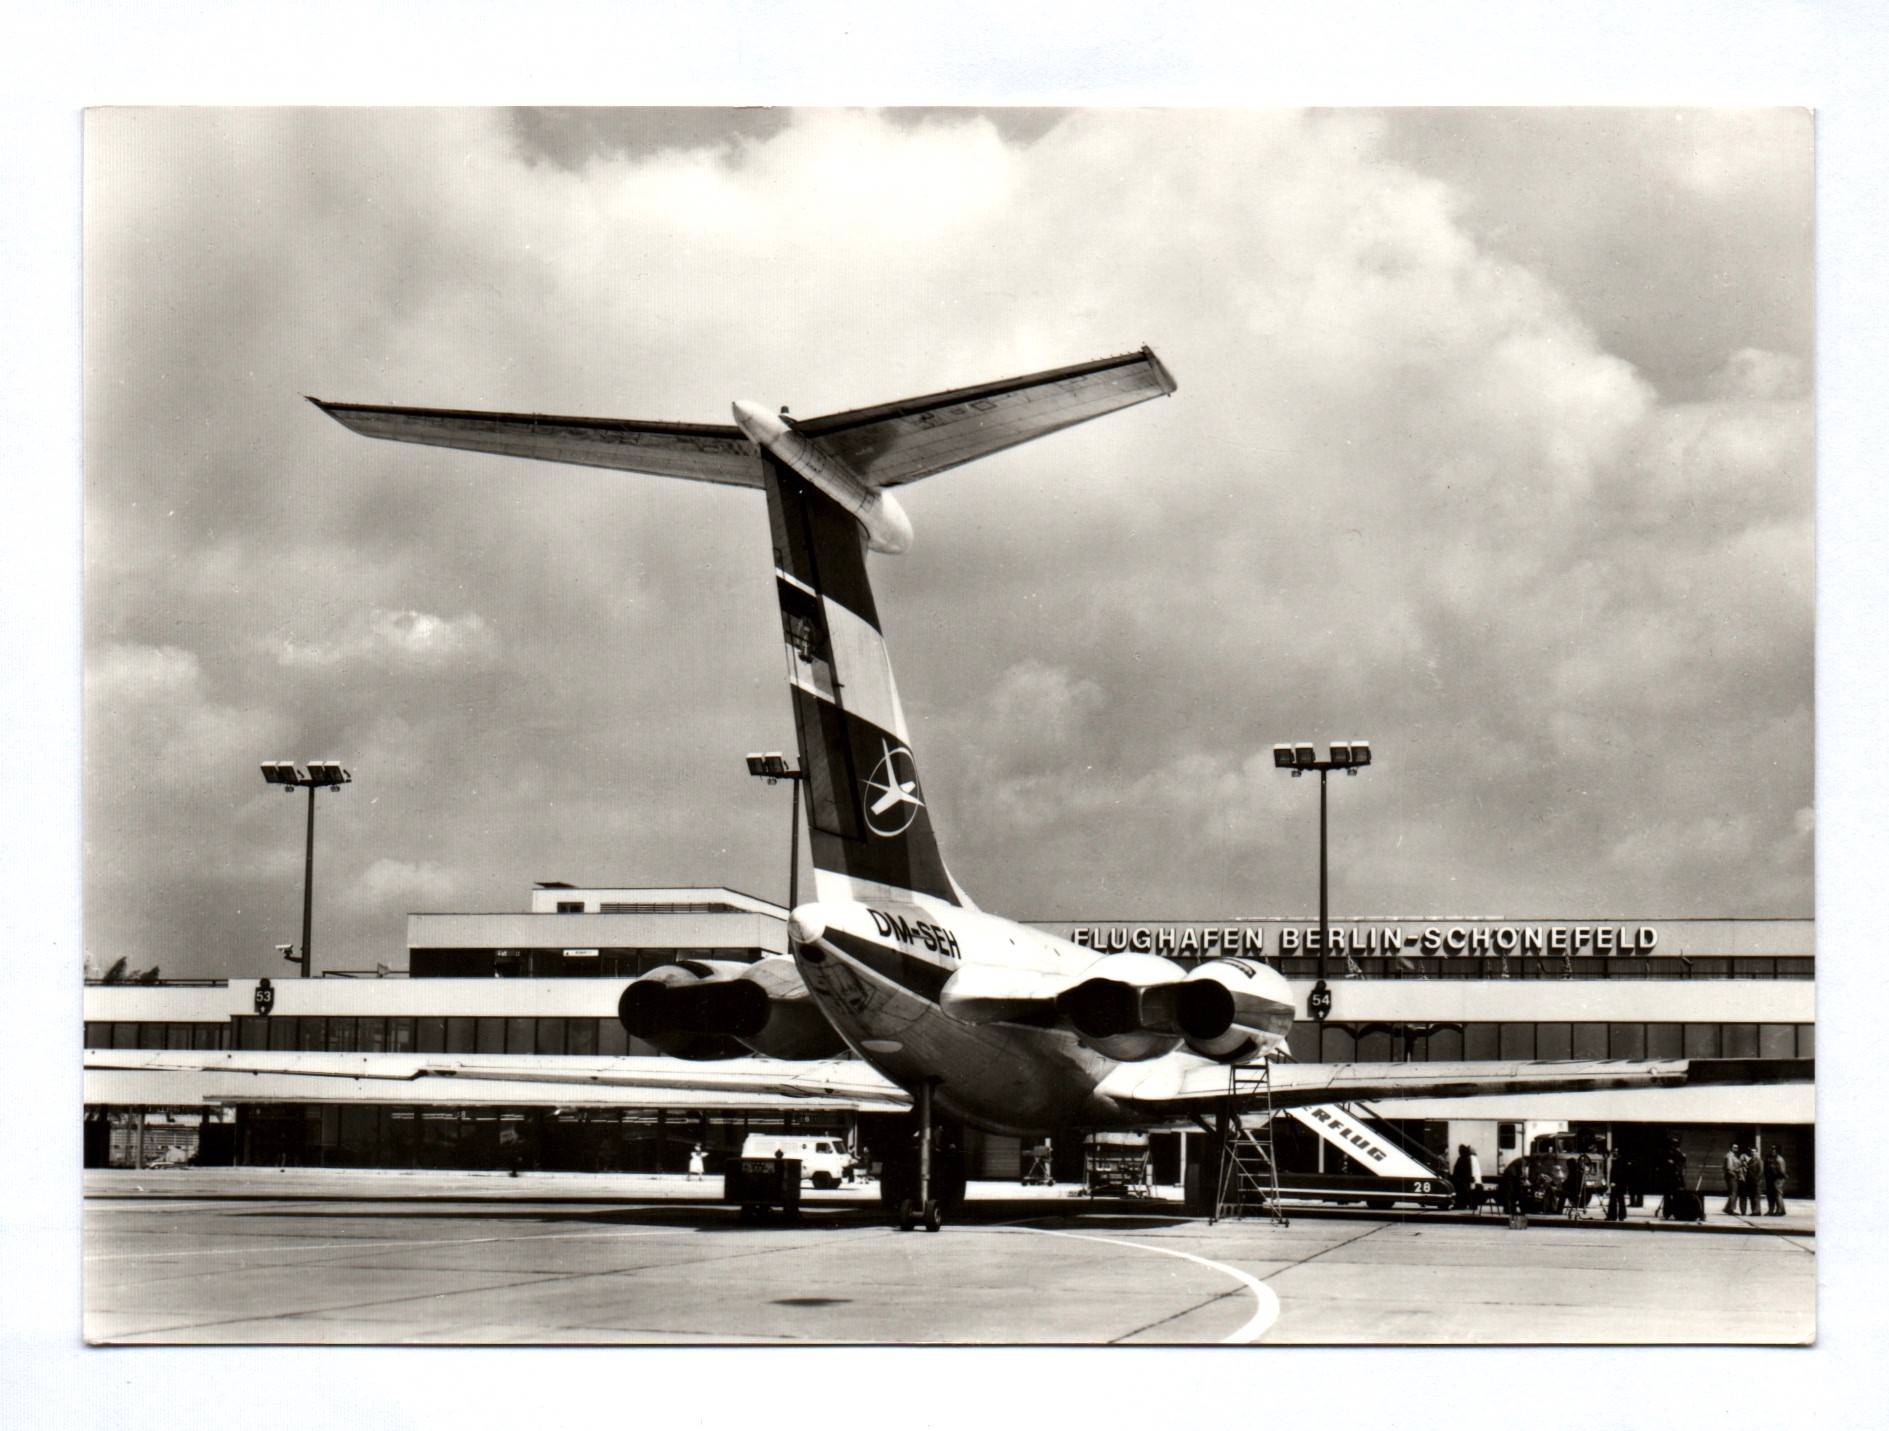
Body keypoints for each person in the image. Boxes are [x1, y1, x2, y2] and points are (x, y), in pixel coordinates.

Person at [1763, 1148, 1788, 1215]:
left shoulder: (1779, 1159)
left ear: (1778, 1151)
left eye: (1775, 1150)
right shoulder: (1769, 1158)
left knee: (1778, 1194)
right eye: (1772, 1150)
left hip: (1778, 1179)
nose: (1773, 1151)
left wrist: (1782, 1177)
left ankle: (1780, 1210)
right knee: (1770, 1195)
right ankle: (1771, 1210)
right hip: (1770, 1179)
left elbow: (1782, 1171)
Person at [1722, 1143, 1744, 1215]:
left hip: (1733, 1176)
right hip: (1732, 1176)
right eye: (1734, 1147)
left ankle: (1727, 1208)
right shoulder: (1729, 1156)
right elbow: (1729, 1168)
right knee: (1733, 1193)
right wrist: (1735, 1175)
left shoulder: (1734, 1156)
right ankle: (1731, 1209)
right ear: (1731, 1148)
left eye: (1737, 1147)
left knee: (1733, 1193)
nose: (1736, 1148)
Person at [1451, 1144, 1474, 1210]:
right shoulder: (1466, 1158)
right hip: (1463, 1179)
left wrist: (1457, 1177)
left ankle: (1461, 1205)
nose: (1458, 1151)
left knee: (1461, 1193)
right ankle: (1466, 1204)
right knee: (1465, 1192)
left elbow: (1460, 1169)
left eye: (1459, 1150)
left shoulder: (1462, 1159)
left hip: (1461, 1179)